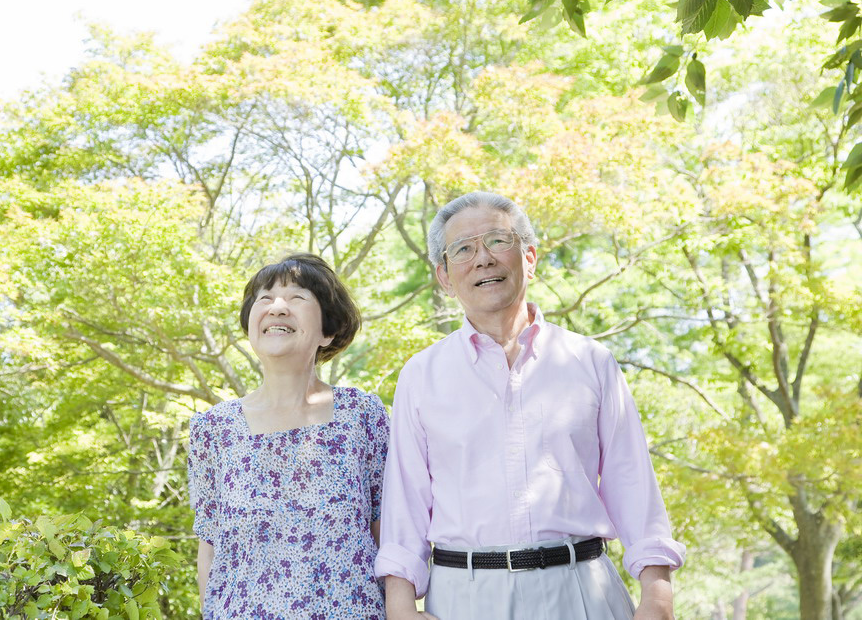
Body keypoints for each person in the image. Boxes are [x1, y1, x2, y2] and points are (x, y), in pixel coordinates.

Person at [376, 192, 685, 620]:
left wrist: (657, 595)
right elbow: (405, 501)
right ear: (445, 278)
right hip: (463, 598)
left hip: (583, 591)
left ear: (530, 257)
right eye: (463, 249)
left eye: (498, 241)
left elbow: (632, 480)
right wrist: (400, 607)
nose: (482, 259)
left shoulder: (591, 361)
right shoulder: (420, 374)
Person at [188, 253, 389, 619]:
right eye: (264, 299)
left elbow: (389, 534)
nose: (277, 307)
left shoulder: (362, 415)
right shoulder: (214, 430)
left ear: (328, 330)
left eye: (297, 297)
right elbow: (211, 550)